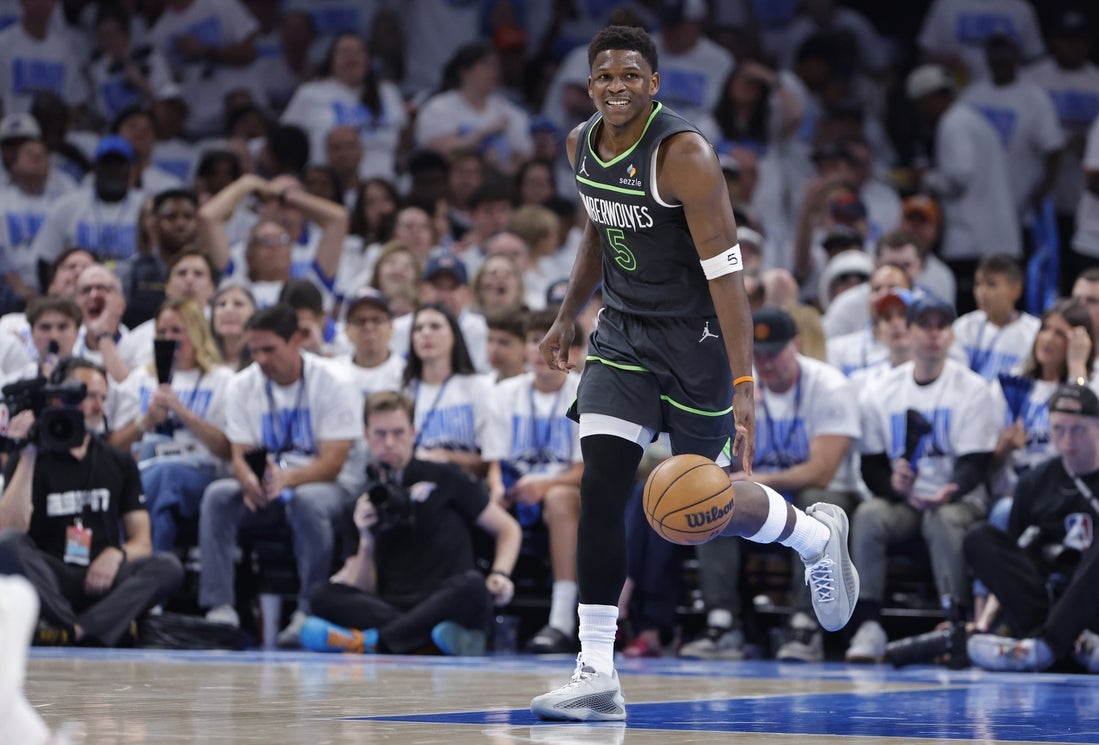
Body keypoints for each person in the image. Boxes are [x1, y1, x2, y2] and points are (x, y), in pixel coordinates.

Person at [531, 26, 858, 721]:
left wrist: (743, 383)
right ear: (589, 86)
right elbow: (599, 232)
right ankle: (595, 669)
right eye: (604, 76)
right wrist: (567, 315)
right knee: (602, 485)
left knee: (706, 507)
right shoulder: (579, 144)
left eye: (630, 75)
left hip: (698, 341)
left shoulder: (685, 156)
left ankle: (813, 536)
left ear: (653, 84)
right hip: (622, 333)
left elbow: (728, 276)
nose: (616, 87)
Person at [684, 307, 863, 663]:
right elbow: (731, 462)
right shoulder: (742, 389)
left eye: (774, 353)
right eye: (759, 354)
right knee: (716, 500)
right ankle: (722, 622)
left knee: (814, 498)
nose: (764, 363)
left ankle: (806, 625)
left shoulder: (830, 386)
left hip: (826, 495)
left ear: (796, 344)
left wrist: (759, 480)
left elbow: (822, 472)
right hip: (762, 492)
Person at [300, 390, 520, 656]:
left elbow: (508, 528)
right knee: (322, 595)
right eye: (380, 434)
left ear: (413, 433)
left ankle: (375, 641)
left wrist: (500, 573)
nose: (389, 443)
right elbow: (364, 588)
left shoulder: (445, 477)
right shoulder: (360, 501)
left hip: (445, 596)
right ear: (366, 435)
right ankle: (427, 640)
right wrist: (366, 538)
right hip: (392, 602)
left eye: (398, 433)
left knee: (473, 586)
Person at [848, 296, 1001, 662]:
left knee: (942, 519)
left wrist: (950, 489)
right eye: (925, 326)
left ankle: (955, 621)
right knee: (869, 515)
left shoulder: (973, 388)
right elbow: (872, 465)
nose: (934, 334)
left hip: (959, 500)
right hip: (906, 502)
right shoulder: (881, 391)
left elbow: (977, 462)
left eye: (942, 326)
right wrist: (893, 486)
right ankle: (868, 623)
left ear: (951, 335)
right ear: (910, 332)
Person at [197, 304, 359, 646]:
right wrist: (247, 479)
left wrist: (288, 479)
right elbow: (239, 453)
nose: (261, 359)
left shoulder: (334, 381)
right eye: (254, 350)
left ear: (296, 340)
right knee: (218, 495)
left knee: (307, 502)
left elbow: (333, 463)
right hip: (270, 486)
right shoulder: (242, 384)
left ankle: (308, 609)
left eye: (269, 349)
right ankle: (220, 609)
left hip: (326, 485)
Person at [0, 358, 184, 646]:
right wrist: (28, 453)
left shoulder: (118, 460)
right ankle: (86, 627)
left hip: (103, 577)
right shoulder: (30, 456)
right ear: (59, 399)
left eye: (103, 398)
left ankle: (73, 630)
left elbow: (142, 541)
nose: (98, 406)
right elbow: (10, 530)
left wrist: (117, 554)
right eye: (88, 396)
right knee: (7, 544)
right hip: (51, 577)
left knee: (167, 566)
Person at [965, 383, 1099, 673]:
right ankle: (1069, 645)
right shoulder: (1035, 482)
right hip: (1048, 599)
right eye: (1058, 429)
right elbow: (1014, 559)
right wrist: (986, 620)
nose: (1067, 441)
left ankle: (1048, 646)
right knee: (979, 537)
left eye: (1078, 430)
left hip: (1093, 596)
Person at [483, 309, 585, 654]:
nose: (542, 350)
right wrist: (497, 488)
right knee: (474, 497)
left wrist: (544, 486)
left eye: (554, 343)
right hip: (516, 487)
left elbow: (585, 468)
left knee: (558, 499)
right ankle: (473, 612)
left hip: (566, 489)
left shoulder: (583, 391)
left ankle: (560, 620)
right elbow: (494, 462)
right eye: (534, 341)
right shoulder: (504, 392)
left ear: (572, 351)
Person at [109, 299, 234, 553]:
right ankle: (152, 569)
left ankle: (131, 561)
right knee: (156, 506)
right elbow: (113, 447)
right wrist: (146, 422)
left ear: (196, 333)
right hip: (146, 471)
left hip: (203, 476)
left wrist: (184, 413)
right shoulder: (140, 378)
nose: (168, 339)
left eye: (177, 331)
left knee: (164, 476)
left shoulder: (222, 380)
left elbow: (227, 449)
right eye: (162, 332)